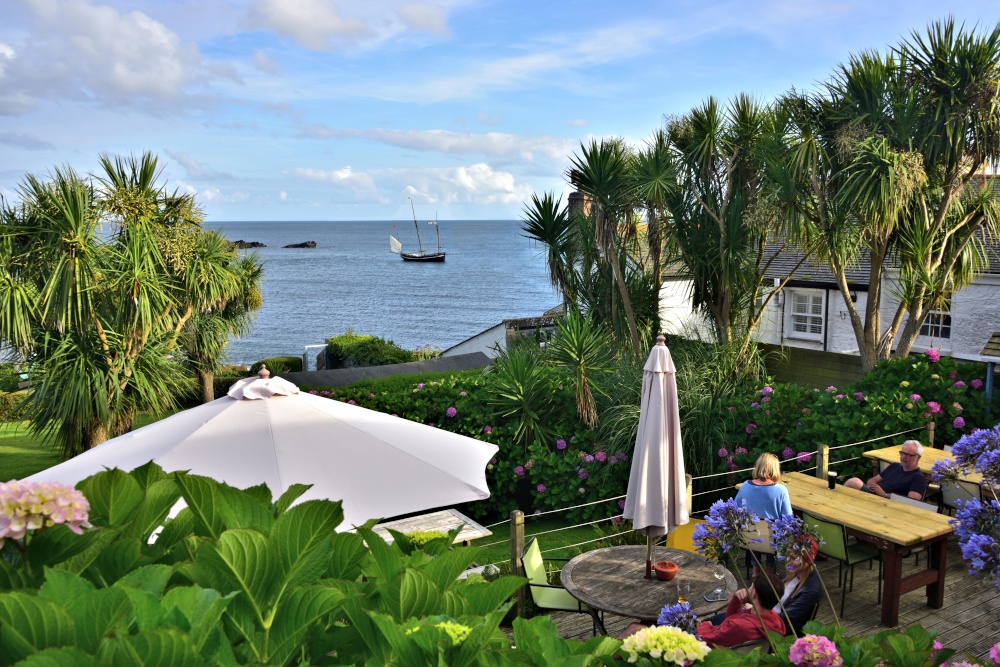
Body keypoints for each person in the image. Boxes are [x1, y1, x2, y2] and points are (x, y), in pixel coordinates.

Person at [695, 570, 786, 647]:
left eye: (750, 587)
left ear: (754, 593)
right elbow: (729, 620)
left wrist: (704, 625)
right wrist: (737, 599)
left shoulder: (739, 627)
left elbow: (705, 640)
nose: (747, 589)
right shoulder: (776, 620)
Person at [734, 452, 792, 572]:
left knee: (756, 529)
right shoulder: (781, 490)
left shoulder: (745, 486)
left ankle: (755, 570)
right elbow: (788, 518)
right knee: (775, 529)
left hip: (749, 536)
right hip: (772, 540)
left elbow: (735, 509)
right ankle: (769, 571)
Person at [844, 439, 927, 500]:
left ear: (918, 457)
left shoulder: (918, 478)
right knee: (853, 483)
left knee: (854, 482)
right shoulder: (894, 466)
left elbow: (911, 502)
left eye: (908, 455)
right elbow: (873, 480)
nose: (903, 457)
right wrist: (873, 487)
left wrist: (884, 494)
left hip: (889, 505)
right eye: (902, 453)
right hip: (874, 496)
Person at [774, 538, 822, 636]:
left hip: (783, 634)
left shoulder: (810, 591)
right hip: (772, 619)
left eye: (793, 558)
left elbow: (784, 621)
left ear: (807, 560)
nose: (788, 561)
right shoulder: (797, 574)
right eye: (787, 555)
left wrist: (760, 610)